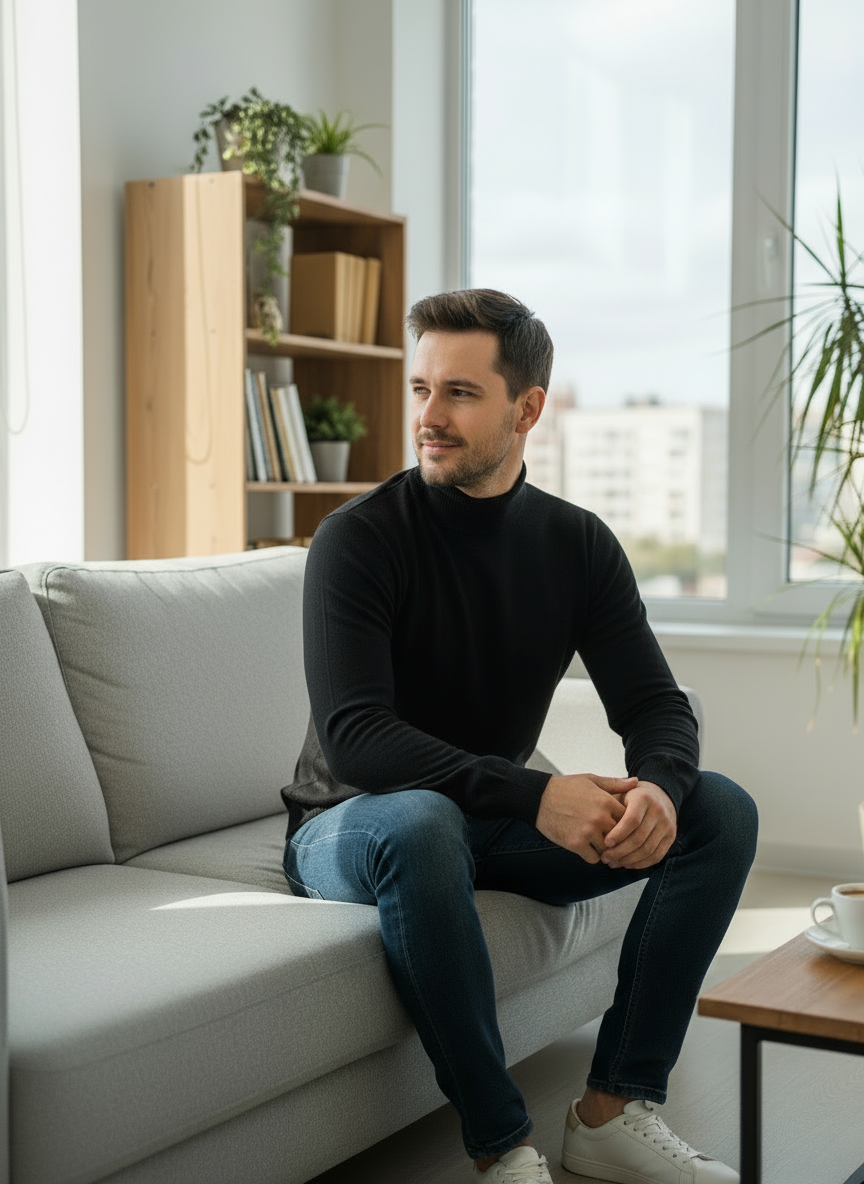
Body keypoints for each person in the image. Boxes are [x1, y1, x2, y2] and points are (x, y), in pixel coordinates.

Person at [282, 289, 758, 1184]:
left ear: (527, 407)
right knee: (420, 820)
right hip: (352, 825)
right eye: (420, 387)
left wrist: (657, 787)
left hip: (481, 823)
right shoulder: (357, 539)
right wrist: (537, 793)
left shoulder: (576, 545)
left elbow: (657, 704)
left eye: (458, 392)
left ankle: (614, 1110)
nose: (428, 416)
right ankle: (501, 1148)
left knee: (718, 810)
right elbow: (357, 739)